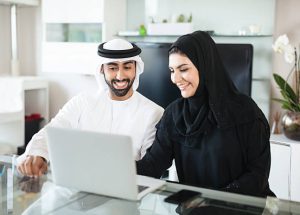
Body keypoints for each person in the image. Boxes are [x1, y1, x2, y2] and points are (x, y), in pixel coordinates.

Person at [136, 31, 274, 197]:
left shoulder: (246, 112)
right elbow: (152, 166)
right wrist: (115, 166)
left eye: (183, 69)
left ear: (205, 66)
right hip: (194, 208)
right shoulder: (174, 114)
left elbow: (258, 175)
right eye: (172, 70)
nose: (176, 78)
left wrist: (214, 201)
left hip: (241, 208)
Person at [17, 39, 164, 177]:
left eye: (127, 67)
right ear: (102, 70)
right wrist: (38, 153)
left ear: (136, 69)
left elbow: (149, 171)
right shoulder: (82, 102)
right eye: (112, 67)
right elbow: (52, 131)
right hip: (77, 190)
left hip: (126, 194)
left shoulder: (153, 113)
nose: (120, 75)